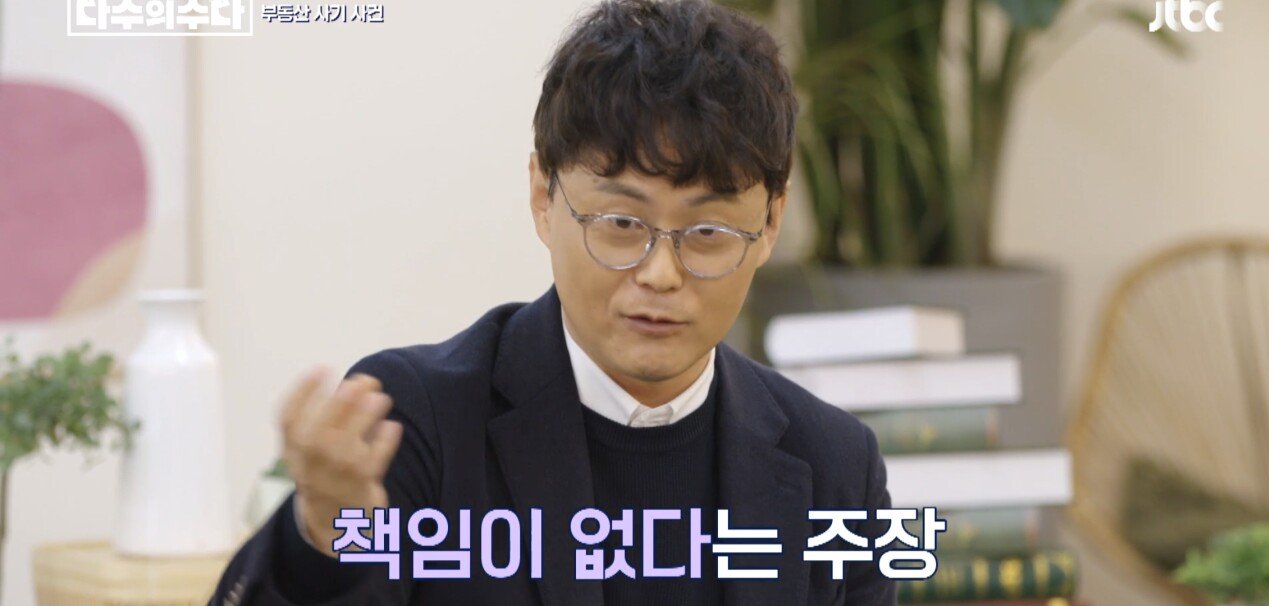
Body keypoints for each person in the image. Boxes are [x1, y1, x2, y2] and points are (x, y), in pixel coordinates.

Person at [210, 0, 895, 604]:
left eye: (708, 233)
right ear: (544, 197)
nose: (660, 274)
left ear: (769, 224)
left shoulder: (834, 464)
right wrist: (321, 541)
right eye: (621, 223)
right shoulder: (418, 423)